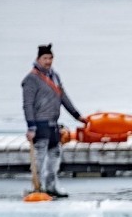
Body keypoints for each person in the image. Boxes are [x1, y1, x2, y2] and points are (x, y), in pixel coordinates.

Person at [21, 43, 86, 198]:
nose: (48, 61)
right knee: (40, 158)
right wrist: (31, 127)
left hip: (53, 124)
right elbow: (27, 104)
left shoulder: (55, 76)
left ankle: (51, 186)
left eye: (50, 58)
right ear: (38, 59)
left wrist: (77, 115)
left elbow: (63, 97)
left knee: (55, 156)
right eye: (45, 58)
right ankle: (38, 186)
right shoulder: (31, 79)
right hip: (40, 124)